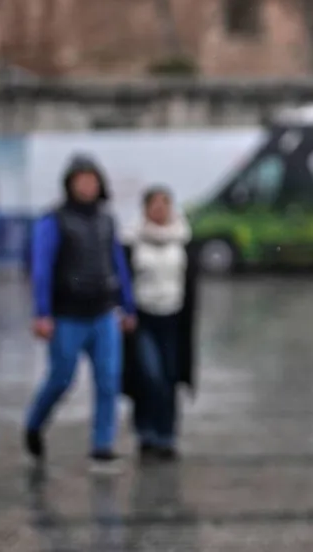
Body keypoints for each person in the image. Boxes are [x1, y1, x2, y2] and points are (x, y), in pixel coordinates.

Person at [24, 156, 137, 473]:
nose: (87, 186)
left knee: (108, 379)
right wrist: (42, 313)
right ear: (70, 184)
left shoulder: (106, 219)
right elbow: (42, 268)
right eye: (81, 180)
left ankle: (102, 447)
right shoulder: (54, 221)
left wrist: (127, 305)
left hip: (102, 312)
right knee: (61, 378)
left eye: (92, 180)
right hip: (67, 315)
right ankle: (34, 424)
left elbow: (118, 264)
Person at [122, 186, 200, 460]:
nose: (159, 210)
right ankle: (146, 433)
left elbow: (190, 282)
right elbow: (122, 279)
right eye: (153, 205)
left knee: (169, 379)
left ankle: (166, 436)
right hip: (143, 318)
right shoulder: (131, 241)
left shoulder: (183, 240)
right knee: (149, 376)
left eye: (164, 204)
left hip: (174, 319)